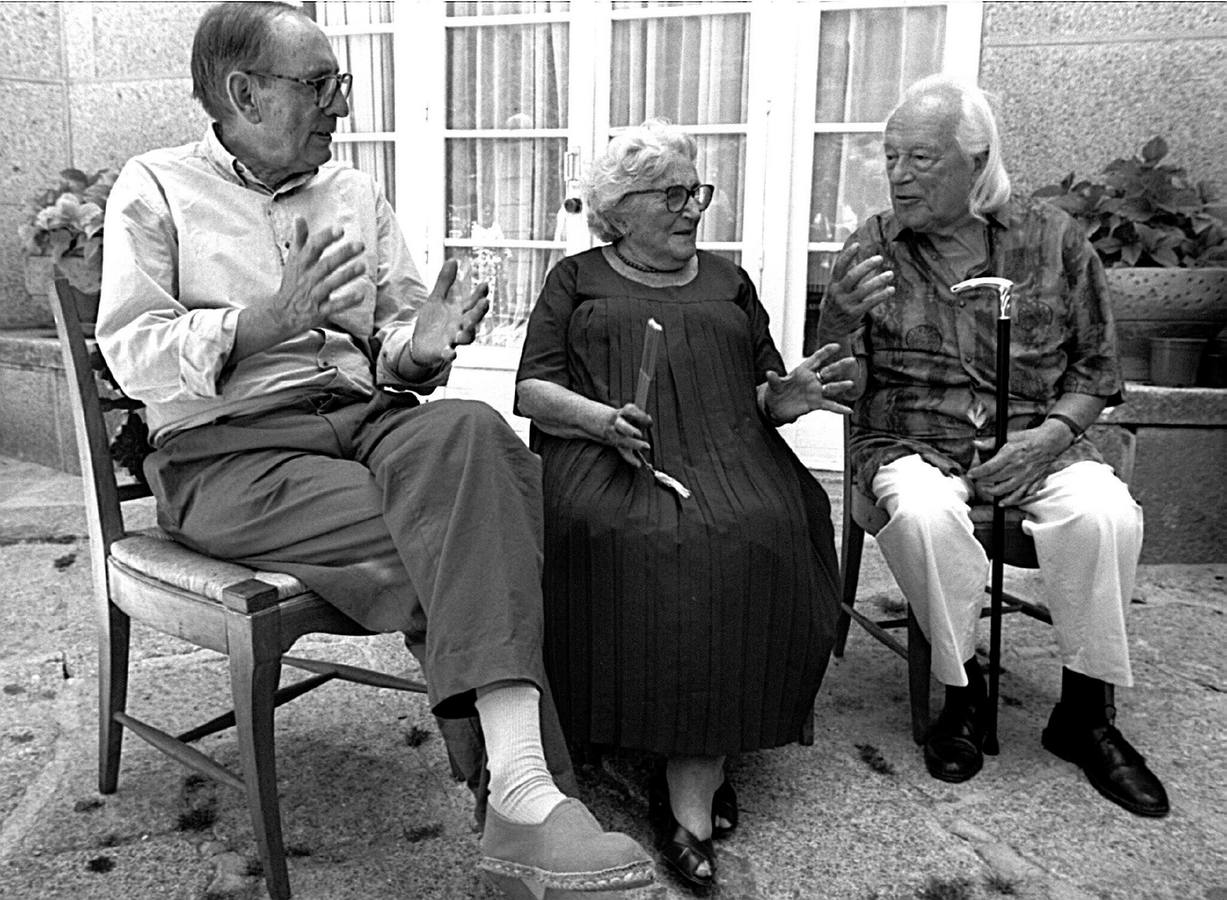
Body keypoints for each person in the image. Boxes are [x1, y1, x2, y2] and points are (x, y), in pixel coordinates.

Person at [95, 3, 655, 894]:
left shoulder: (353, 192)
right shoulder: (155, 187)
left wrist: (420, 347)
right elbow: (132, 351)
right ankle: (525, 794)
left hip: (365, 419)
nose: (341, 105)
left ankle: (521, 803)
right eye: (320, 85)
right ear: (243, 92)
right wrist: (265, 322)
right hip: (228, 453)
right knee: (478, 527)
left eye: (339, 83)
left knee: (473, 434)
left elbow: (394, 331)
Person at [515, 120, 855, 890]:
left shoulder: (729, 281)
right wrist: (601, 420)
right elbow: (532, 390)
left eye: (695, 191)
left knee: (765, 526)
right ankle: (685, 776)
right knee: (646, 536)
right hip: (610, 453)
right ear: (617, 208)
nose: (693, 207)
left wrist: (786, 399)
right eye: (671, 195)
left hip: (729, 451)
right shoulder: (575, 279)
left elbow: (764, 393)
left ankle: (699, 758)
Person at [818, 74, 1169, 817]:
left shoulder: (1053, 239)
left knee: (1104, 512)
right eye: (890, 157)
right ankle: (963, 690)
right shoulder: (873, 245)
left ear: (976, 162)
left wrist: (1048, 440)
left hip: (1038, 437)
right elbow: (841, 383)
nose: (898, 175)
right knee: (921, 513)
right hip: (911, 439)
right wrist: (835, 320)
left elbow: (1096, 372)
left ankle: (1085, 711)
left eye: (920, 158)